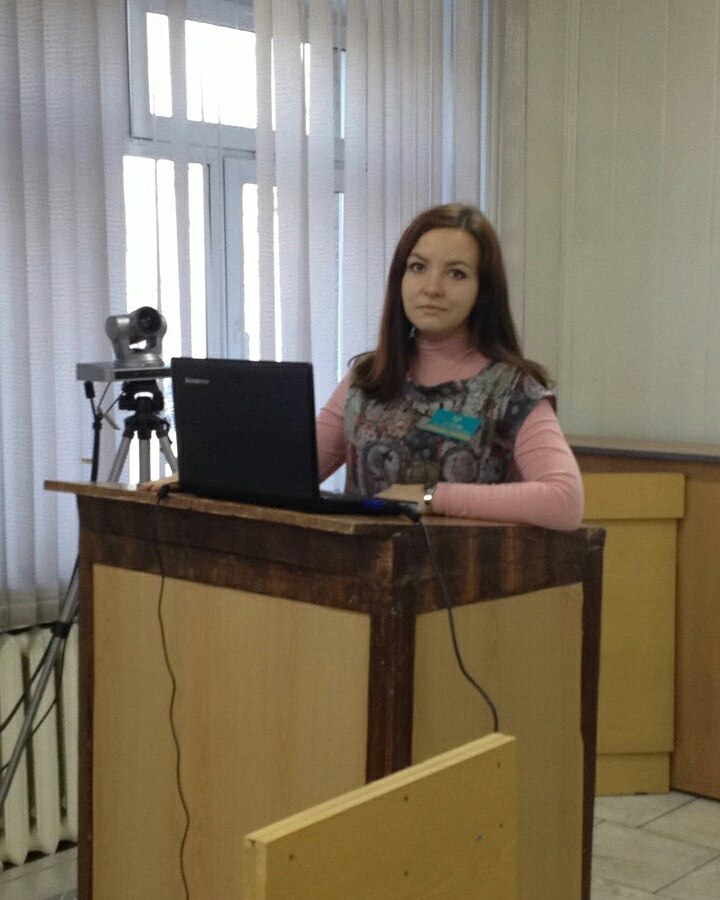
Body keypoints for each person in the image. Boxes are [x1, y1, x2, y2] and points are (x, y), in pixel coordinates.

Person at [315, 203, 584, 531]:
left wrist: (431, 497)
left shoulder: (512, 390)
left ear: (483, 290)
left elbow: (565, 501)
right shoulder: (369, 377)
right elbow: (289, 477)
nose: (432, 287)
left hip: (461, 564)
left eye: (456, 273)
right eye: (418, 267)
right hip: (362, 563)